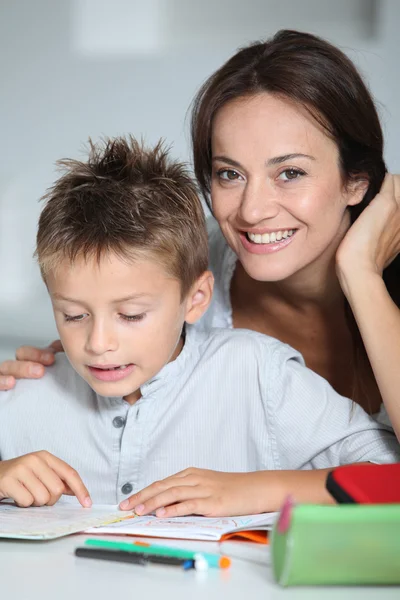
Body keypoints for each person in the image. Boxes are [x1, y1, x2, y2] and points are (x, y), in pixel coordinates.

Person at [0, 137, 398, 515]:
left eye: (132, 315)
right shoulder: (27, 393)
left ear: (196, 299)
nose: (98, 343)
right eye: (74, 315)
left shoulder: (259, 374)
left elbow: (390, 477)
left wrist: (256, 488)